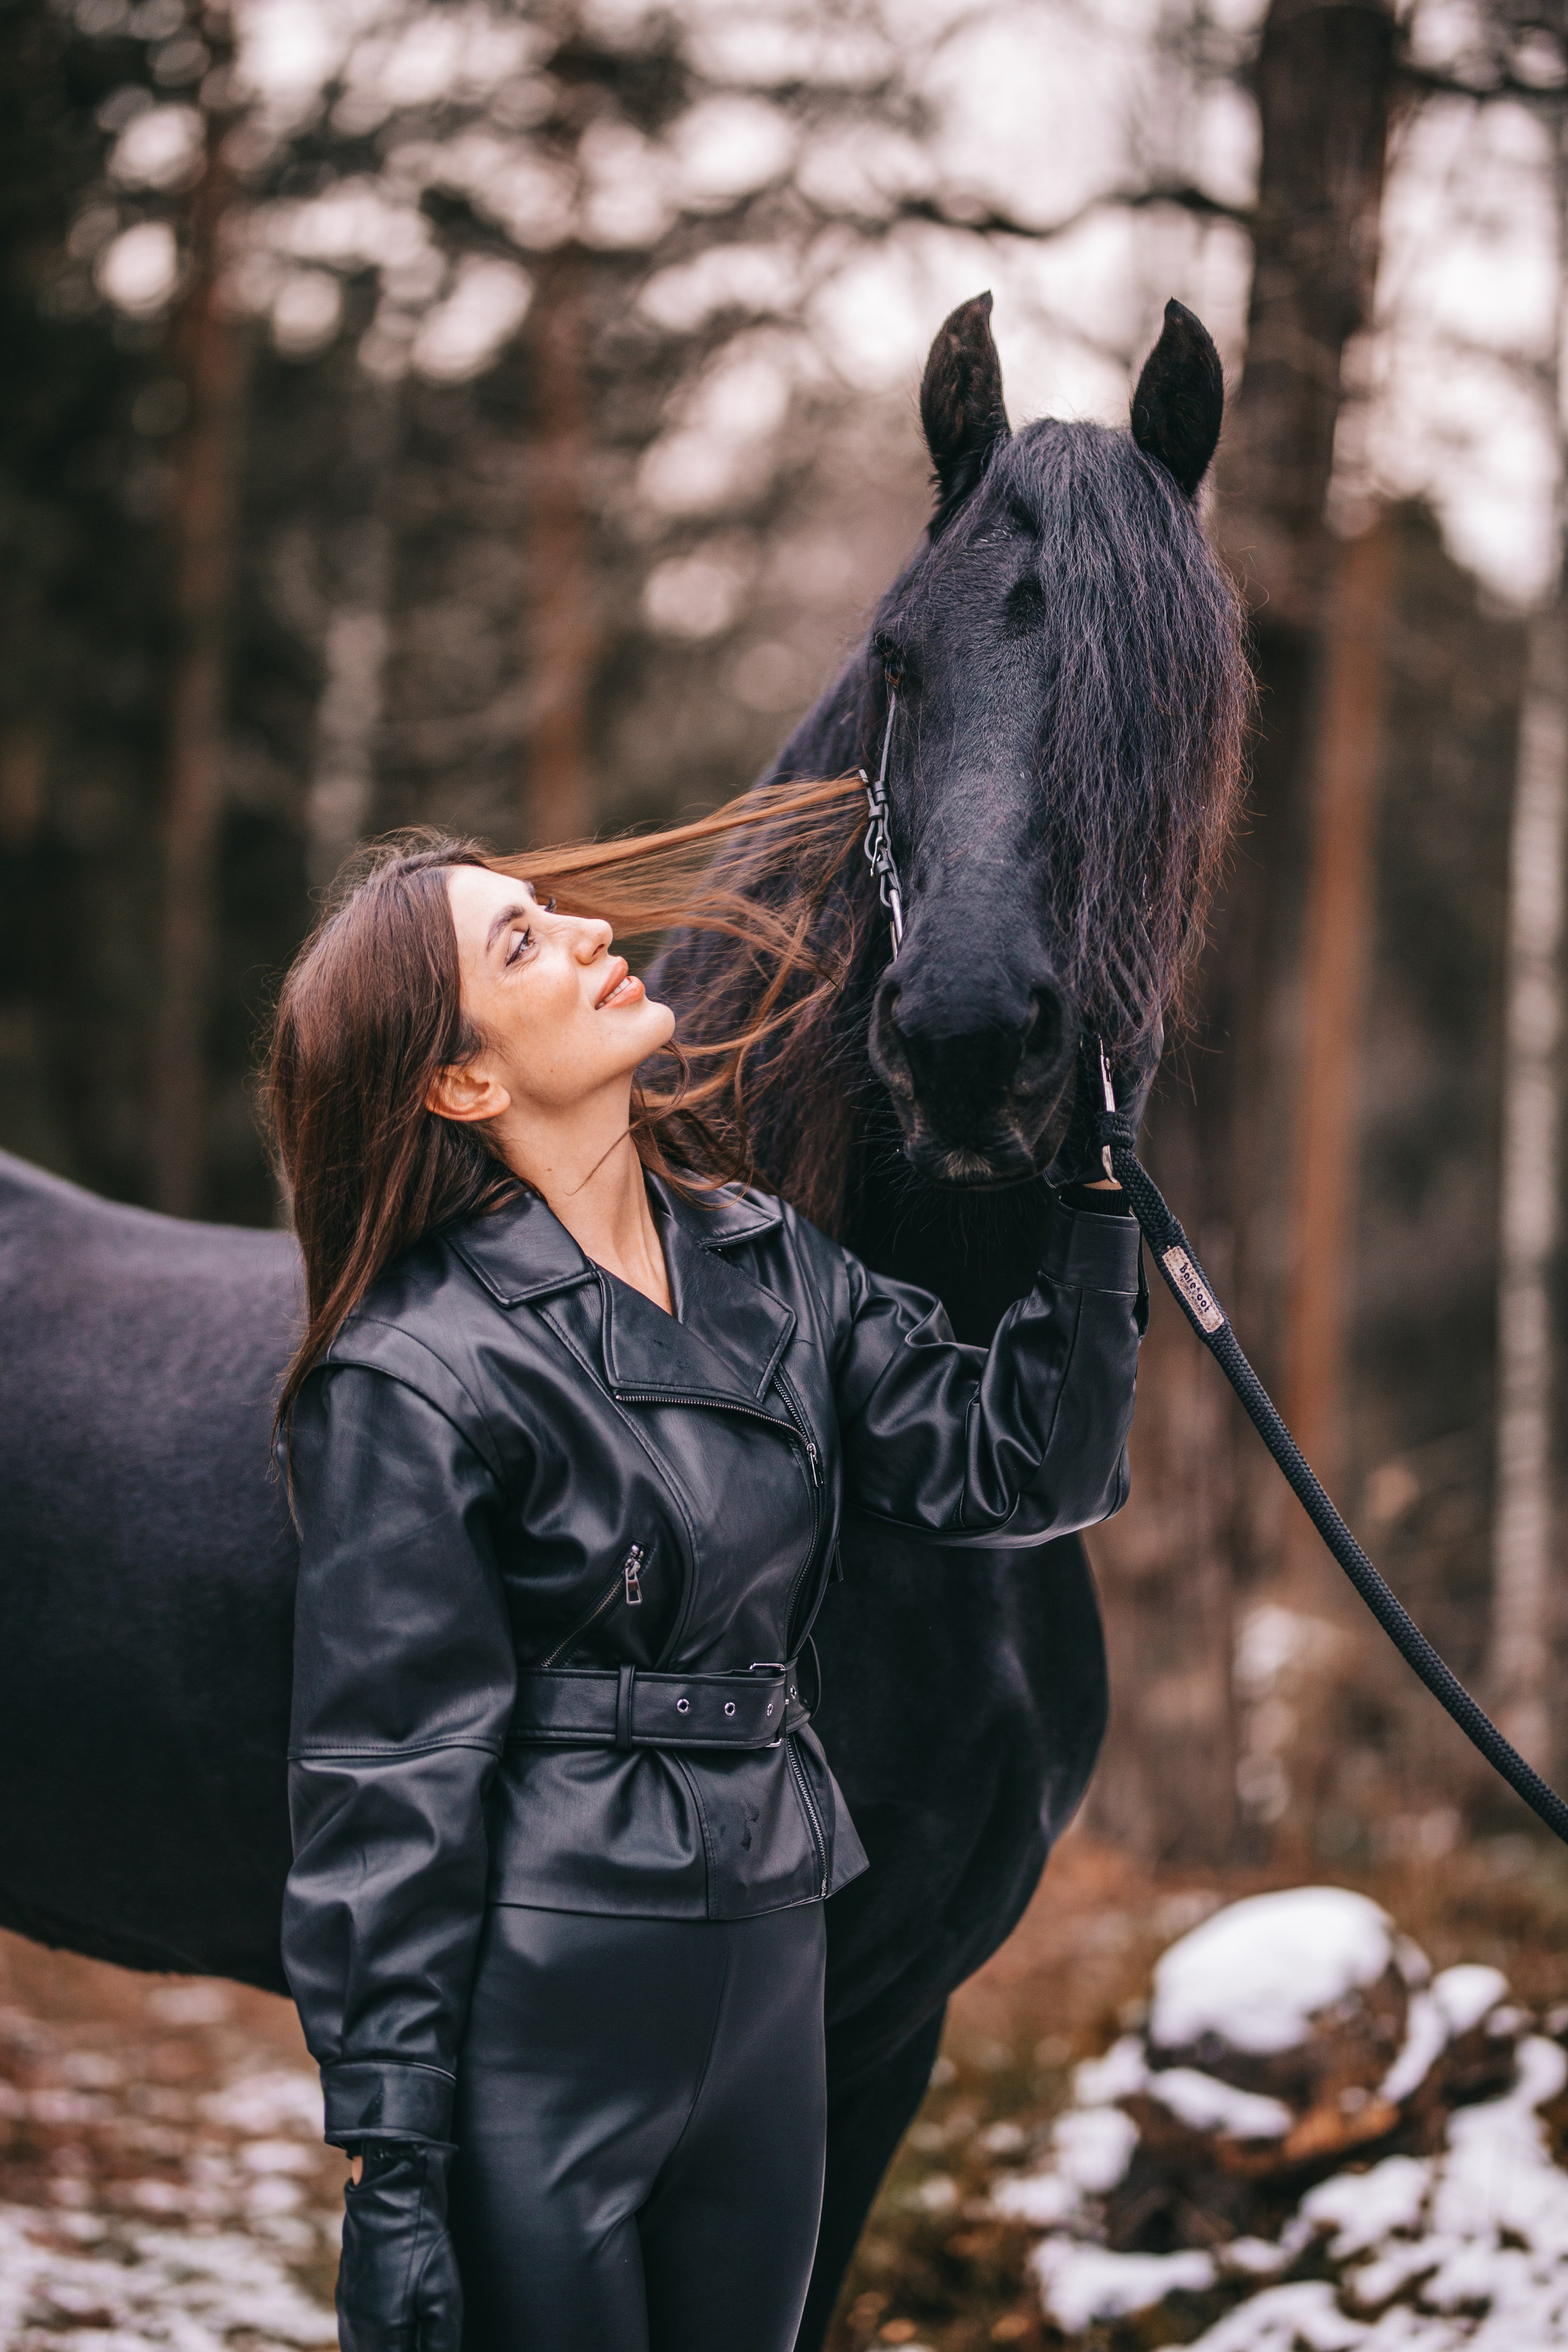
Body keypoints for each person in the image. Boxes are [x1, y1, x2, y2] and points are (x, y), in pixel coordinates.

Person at [266, 787, 1151, 2352]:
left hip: (772, 1975)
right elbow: (388, 1778)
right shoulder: (411, 1373)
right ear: (462, 1076)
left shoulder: (774, 1267)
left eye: (549, 907)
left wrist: (1090, 1201)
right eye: (524, 941)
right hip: (546, 2012)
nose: (593, 930)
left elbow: (1024, 1470)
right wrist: (393, 2168)